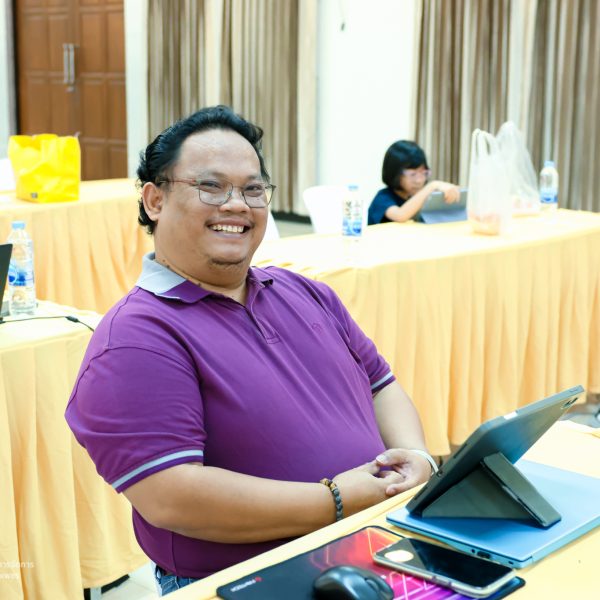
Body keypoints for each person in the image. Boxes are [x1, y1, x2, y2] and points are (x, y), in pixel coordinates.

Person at [65, 106, 435, 596]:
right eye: (211, 186)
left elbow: (380, 385)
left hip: (369, 546)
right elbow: (172, 496)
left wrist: (416, 456)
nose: (237, 205)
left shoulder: (306, 291)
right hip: (245, 579)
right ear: (155, 200)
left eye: (253, 189)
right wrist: (337, 499)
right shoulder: (136, 337)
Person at [368, 140, 460, 225]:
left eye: (424, 173)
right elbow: (400, 215)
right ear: (395, 173)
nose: (419, 180)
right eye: (413, 174)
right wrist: (432, 186)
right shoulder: (383, 198)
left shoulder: (416, 197)